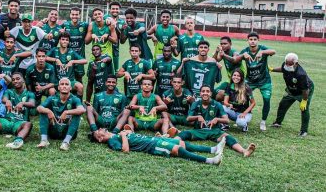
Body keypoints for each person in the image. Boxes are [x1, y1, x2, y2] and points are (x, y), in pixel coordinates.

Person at [175, 85, 256, 157]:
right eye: (203, 91)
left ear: (210, 93)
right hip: (199, 131)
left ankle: (244, 151)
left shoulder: (217, 104)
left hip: (214, 131)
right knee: (184, 133)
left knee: (228, 138)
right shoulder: (196, 103)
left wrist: (217, 119)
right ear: (200, 93)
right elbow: (188, 118)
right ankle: (172, 142)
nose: (205, 93)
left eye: (207, 91)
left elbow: (226, 120)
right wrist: (197, 117)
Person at [92, 128, 224, 165]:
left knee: (181, 143)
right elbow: (125, 150)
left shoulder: (116, 134)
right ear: (99, 138)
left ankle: (213, 149)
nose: (101, 129)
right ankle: (210, 161)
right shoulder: (112, 142)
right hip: (152, 146)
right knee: (178, 149)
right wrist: (124, 136)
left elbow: (132, 136)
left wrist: (128, 133)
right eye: (98, 131)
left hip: (153, 139)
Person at [234, 32, 276, 131]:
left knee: (266, 100)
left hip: (264, 80)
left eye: (254, 39)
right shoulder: (246, 50)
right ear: (248, 41)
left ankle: (263, 121)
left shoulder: (262, 48)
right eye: (250, 39)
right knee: (243, 98)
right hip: (250, 80)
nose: (252, 41)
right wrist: (243, 55)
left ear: (258, 40)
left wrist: (263, 52)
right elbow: (236, 60)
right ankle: (244, 117)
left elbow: (273, 51)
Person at [271, 53, 314, 137]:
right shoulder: (286, 64)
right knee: (283, 104)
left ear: (296, 63)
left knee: (304, 109)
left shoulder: (301, 74)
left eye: (290, 64)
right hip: (291, 89)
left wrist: (304, 100)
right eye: (286, 63)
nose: (287, 65)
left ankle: (303, 131)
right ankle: (278, 122)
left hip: (304, 91)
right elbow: (283, 69)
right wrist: (272, 69)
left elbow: (305, 89)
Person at [36, 78, 86, 151]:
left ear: (70, 88)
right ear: (58, 88)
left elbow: (82, 110)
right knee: (43, 112)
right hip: (54, 130)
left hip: (67, 130)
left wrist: (66, 112)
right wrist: (48, 111)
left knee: (77, 114)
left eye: (67, 84)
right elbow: (39, 108)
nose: (64, 86)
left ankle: (66, 142)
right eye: (62, 84)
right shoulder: (52, 98)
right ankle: (44, 140)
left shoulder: (75, 99)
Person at [46, 32, 87, 98]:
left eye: (66, 40)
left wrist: (72, 61)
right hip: (57, 81)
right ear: (59, 40)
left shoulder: (71, 51)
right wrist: (56, 60)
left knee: (80, 87)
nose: (65, 41)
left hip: (70, 80)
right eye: (63, 39)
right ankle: (53, 106)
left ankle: (78, 104)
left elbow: (85, 61)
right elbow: (45, 57)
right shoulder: (54, 50)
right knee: (51, 91)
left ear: (68, 42)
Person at [213, 36, 246, 101]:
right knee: (214, 92)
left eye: (225, 44)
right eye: (221, 44)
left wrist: (224, 55)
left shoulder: (234, 52)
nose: (223, 45)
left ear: (230, 44)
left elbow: (235, 60)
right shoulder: (223, 53)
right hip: (230, 80)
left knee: (222, 94)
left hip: (239, 80)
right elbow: (214, 60)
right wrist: (216, 52)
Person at [62, 7, 89, 82]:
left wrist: (108, 20)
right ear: (70, 15)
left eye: (76, 14)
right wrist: (44, 21)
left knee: (79, 78)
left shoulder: (84, 25)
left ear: (79, 15)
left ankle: (79, 93)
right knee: (66, 78)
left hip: (80, 57)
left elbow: (94, 25)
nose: (74, 16)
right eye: (73, 14)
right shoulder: (65, 25)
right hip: (67, 57)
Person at [104, 2, 126, 72]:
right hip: (104, 47)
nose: (115, 10)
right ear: (110, 10)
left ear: (119, 10)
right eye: (113, 9)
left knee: (115, 72)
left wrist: (122, 31)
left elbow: (122, 41)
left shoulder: (122, 22)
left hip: (115, 49)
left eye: (117, 9)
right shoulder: (104, 18)